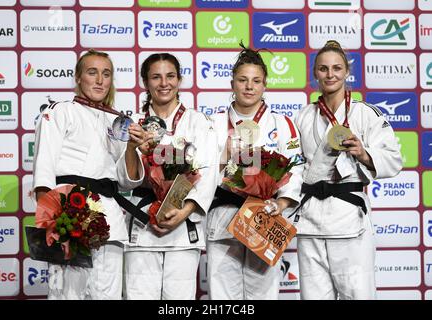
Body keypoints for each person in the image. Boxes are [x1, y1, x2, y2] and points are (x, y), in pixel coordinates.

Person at [33, 49, 152, 299]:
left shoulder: (119, 121)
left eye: (106, 74)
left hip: (109, 220)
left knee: (107, 295)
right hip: (70, 214)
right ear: (78, 78)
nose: (100, 80)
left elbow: (127, 179)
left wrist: (132, 146)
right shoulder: (60, 111)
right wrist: (56, 225)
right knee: (68, 294)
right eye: (92, 72)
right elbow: (43, 172)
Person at [294, 40, 403, 300]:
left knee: (358, 295)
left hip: (348, 218)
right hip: (309, 221)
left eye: (336, 68)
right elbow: (294, 166)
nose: (330, 74)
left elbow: (394, 159)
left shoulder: (364, 113)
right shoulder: (303, 116)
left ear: (347, 72)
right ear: (314, 73)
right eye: (323, 69)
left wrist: (364, 154)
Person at [206, 44, 304, 300]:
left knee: (263, 295)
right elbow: (200, 174)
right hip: (223, 219)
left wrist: (281, 203)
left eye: (256, 81)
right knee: (222, 298)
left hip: (264, 219)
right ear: (232, 84)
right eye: (243, 80)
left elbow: (297, 169)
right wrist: (224, 157)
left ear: (265, 85)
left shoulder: (282, 124)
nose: (249, 87)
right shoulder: (213, 124)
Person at [124, 53, 218, 300]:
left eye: (170, 76)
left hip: (182, 228)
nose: (164, 83)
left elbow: (207, 173)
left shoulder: (199, 122)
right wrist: (131, 148)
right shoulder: (133, 123)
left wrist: (183, 212)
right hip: (143, 223)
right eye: (156, 77)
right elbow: (126, 180)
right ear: (145, 82)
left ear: (180, 79)